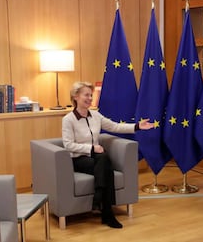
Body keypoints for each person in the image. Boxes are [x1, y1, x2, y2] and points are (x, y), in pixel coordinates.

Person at [62, 81, 153, 229]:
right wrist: (91, 148)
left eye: (91, 95)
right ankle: (107, 214)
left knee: (104, 163)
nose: (90, 98)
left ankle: (100, 202)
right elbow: (68, 145)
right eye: (86, 95)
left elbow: (114, 126)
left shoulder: (96, 115)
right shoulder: (68, 119)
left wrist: (137, 126)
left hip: (96, 158)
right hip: (78, 159)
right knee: (105, 162)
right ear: (75, 97)